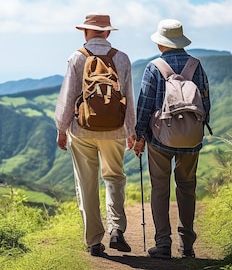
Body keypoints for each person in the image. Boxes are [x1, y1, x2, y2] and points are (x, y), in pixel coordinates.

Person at [55, 13, 137, 257]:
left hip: (82, 129)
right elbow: (128, 97)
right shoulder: (121, 58)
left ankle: (93, 240)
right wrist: (130, 130)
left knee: (87, 184)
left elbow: (68, 97)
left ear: (85, 32)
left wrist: (62, 129)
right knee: (114, 178)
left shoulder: (76, 58)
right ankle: (117, 230)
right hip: (115, 130)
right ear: (108, 33)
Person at [133, 19, 211, 260]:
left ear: (161, 44)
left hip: (160, 138)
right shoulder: (196, 66)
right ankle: (187, 245)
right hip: (191, 137)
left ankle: (163, 244)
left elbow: (145, 104)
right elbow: (205, 103)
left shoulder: (154, 67)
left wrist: (139, 136)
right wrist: (195, 129)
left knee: (160, 188)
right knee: (187, 187)